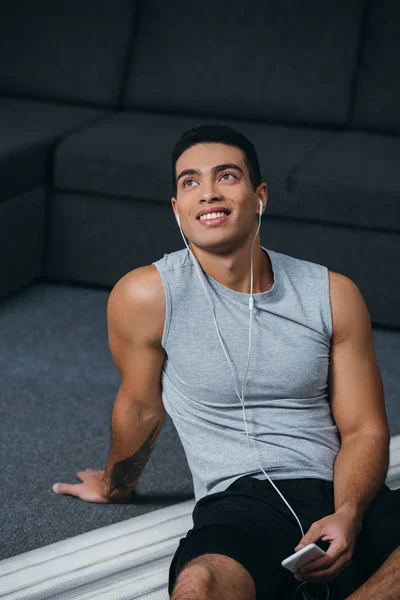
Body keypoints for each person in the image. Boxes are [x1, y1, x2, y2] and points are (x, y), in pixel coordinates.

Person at [52, 125, 400, 600]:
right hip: (240, 499)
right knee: (200, 585)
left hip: (337, 484)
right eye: (189, 182)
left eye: (227, 176)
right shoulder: (147, 294)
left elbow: (364, 429)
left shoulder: (333, 293)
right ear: (177, 208)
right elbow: (140, 405)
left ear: (259, 196)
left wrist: (349, 513)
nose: (208, 192)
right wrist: (115, 485)